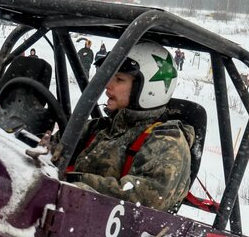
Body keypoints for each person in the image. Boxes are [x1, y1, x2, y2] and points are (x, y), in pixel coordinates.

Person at [58, 41, 194, 212]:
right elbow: (54, 151)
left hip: (111, 232)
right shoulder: (100, 128)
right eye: (110, 76)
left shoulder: (167, 142)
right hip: (70, 215)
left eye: (120, 79)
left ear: (149, 89)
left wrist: (70, 182)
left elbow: (148, 199)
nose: (108, 85)